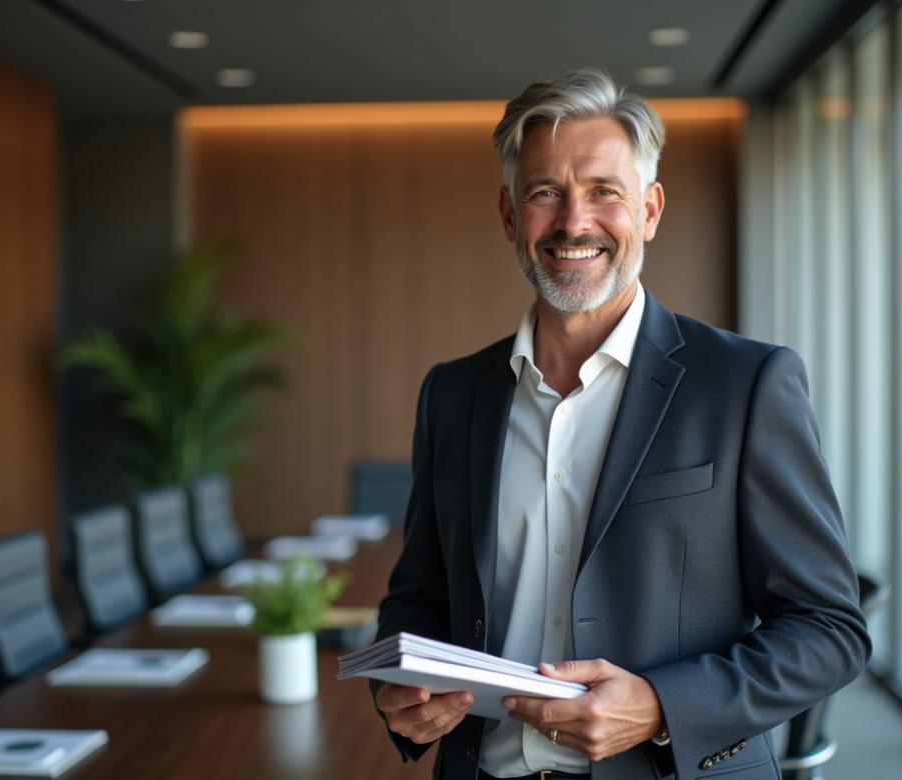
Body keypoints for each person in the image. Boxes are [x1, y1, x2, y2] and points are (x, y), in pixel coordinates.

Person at [371, 67, 870, 780]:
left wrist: (664, 704)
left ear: (650, 210)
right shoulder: (452, 395)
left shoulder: (745, 383)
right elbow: (417, 597)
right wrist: (398, 688)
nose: (574, 222)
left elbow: (829, 632)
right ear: (511, 216)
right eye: (545, 193)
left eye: (605, 192)